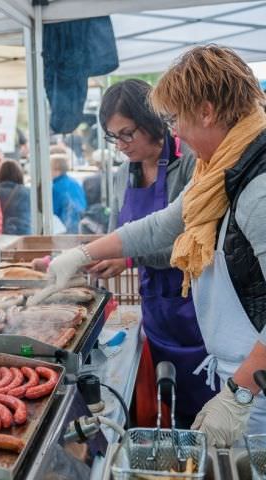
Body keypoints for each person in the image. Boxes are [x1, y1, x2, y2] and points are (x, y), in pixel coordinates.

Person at [32, 45, 266, 446]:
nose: (174, 132)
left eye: (177, 119)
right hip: (239, 372)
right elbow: (162, 225)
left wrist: (240, 394)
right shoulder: (221, 169)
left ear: (207, 111)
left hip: (256, 382)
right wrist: (82, 254)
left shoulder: (258, 188)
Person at [100, 78, 214, 427]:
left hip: (197, 305)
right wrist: (100, 254)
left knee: (207, 401)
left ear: (152, 121)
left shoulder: (192, 161)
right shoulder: (124, 173)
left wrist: (130, 256)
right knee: (170, 396)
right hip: (155, 306)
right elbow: (117, 231)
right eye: (112, 137)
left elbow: (189, 242)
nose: (120, 145)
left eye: (127, 133)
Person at [0, 160, 31, 235]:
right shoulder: (27, 192)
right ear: (19, 173)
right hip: (24, 235)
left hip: (1, 236)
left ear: (0, 174)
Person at [51, 153, 86, 233]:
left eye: (50, 169)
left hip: (66, 226)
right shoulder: (74, 182)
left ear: (57, 170)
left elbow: (52, 211)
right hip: (80, 223)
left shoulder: (56, 187)